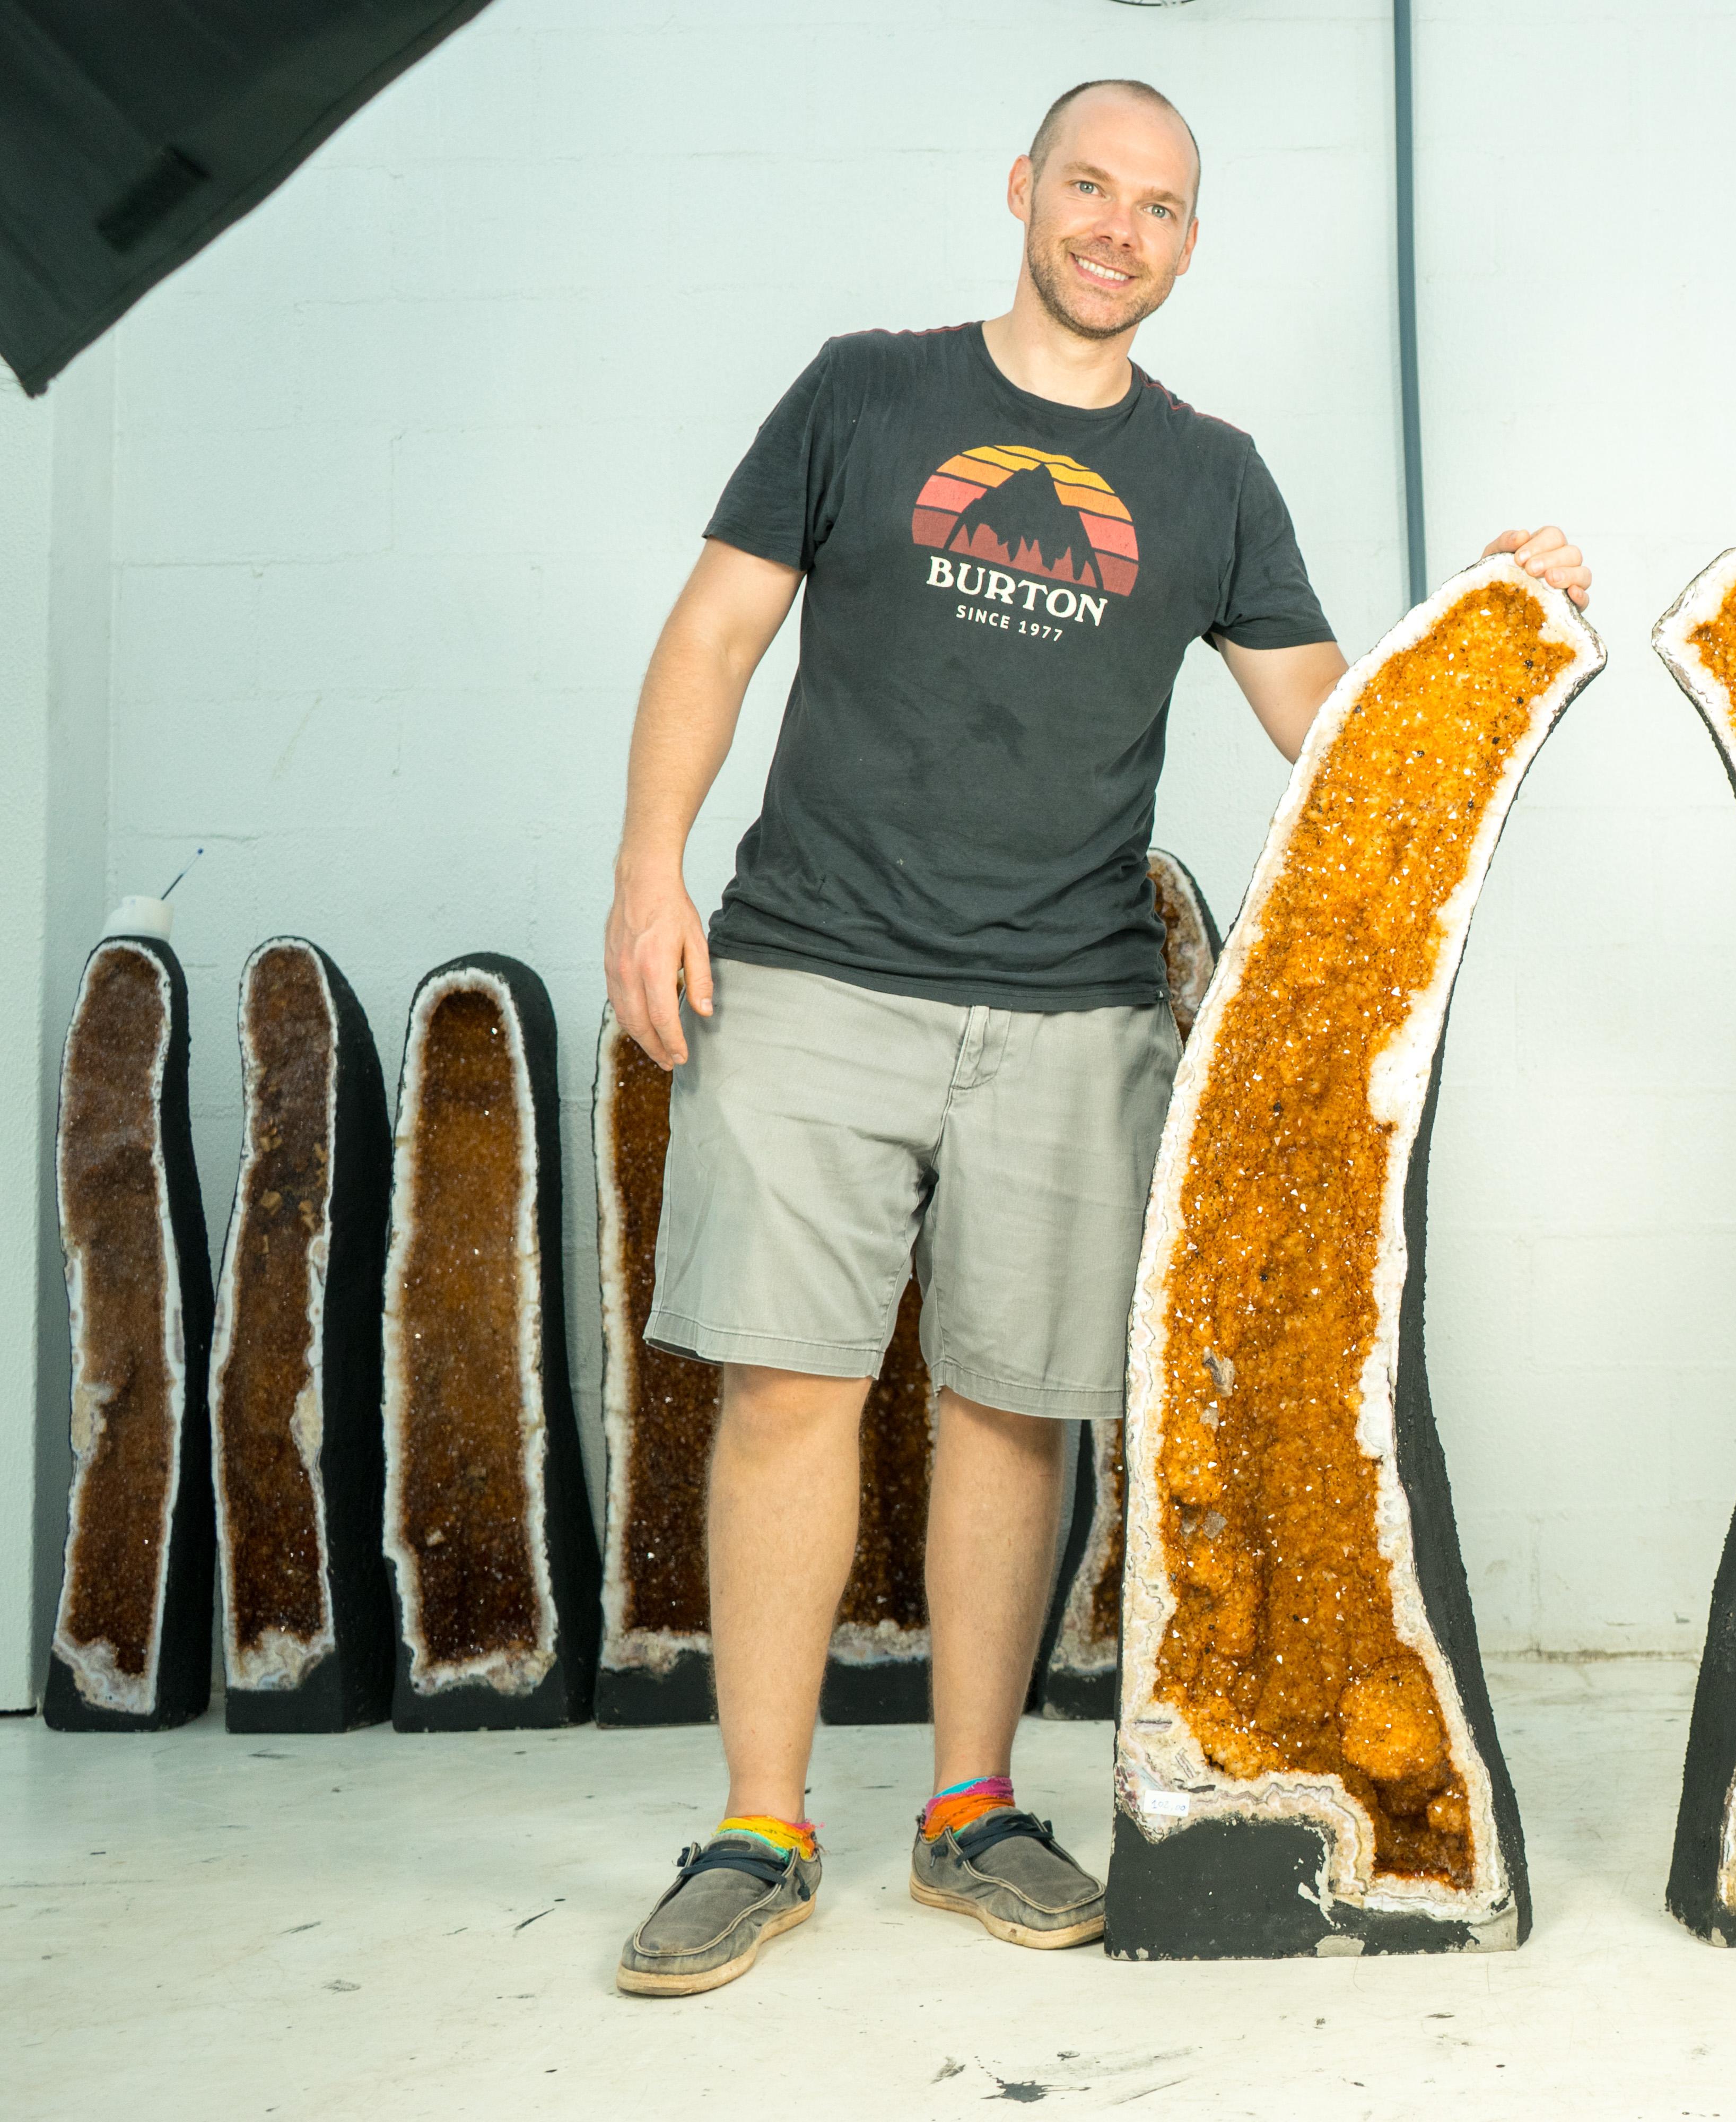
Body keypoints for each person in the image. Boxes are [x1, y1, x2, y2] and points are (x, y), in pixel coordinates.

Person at [596, 76, 1591, 1997]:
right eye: (1088, 187)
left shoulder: (1214, 476)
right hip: (809, 965)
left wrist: (1486, 623)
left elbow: (1336, 732)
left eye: (1156, 205)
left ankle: (972, 1814)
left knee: (1010, 1406)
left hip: (1070, 999)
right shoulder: (863, 393)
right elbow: (712, 635)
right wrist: (654, 874)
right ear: (1023, 193)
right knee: (788, 1388)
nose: (1115, 226)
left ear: (1188, 248)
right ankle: (758, 1827)